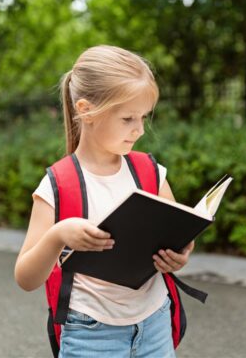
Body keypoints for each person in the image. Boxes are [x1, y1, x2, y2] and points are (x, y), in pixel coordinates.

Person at [14, 45, 194, 357]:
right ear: (86, 110)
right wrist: (58, 235)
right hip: (90, 335)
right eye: (127, 118)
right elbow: (26, 279)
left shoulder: (151, 172)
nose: (139, 129)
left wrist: (181, 253)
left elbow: (175, 234)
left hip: (155, 323)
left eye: (143, 117)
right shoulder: (58, 185)